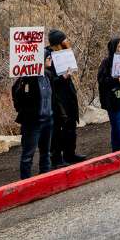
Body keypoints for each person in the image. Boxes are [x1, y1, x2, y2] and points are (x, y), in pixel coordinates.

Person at [45, 30, 84, 166]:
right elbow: (47, 80)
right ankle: (56, 159)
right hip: (57, 99)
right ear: (58, 42)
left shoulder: (65, 53)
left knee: (71, 126)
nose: (67, 40)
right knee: (58, 130)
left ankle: (70, 154)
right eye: (65, 39)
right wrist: (62, 78)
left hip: (68, 95)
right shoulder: (47, 57)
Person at [12, 56, 54, 179]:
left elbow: (52, 96)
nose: (50, 60)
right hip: (32, 123)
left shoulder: (48, 75)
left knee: (45, 152)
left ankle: (45, 178)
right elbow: (17, 95)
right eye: (48, 58)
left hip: (48, 119)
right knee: (28, 155)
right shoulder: (27, 78)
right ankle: (25, 182)